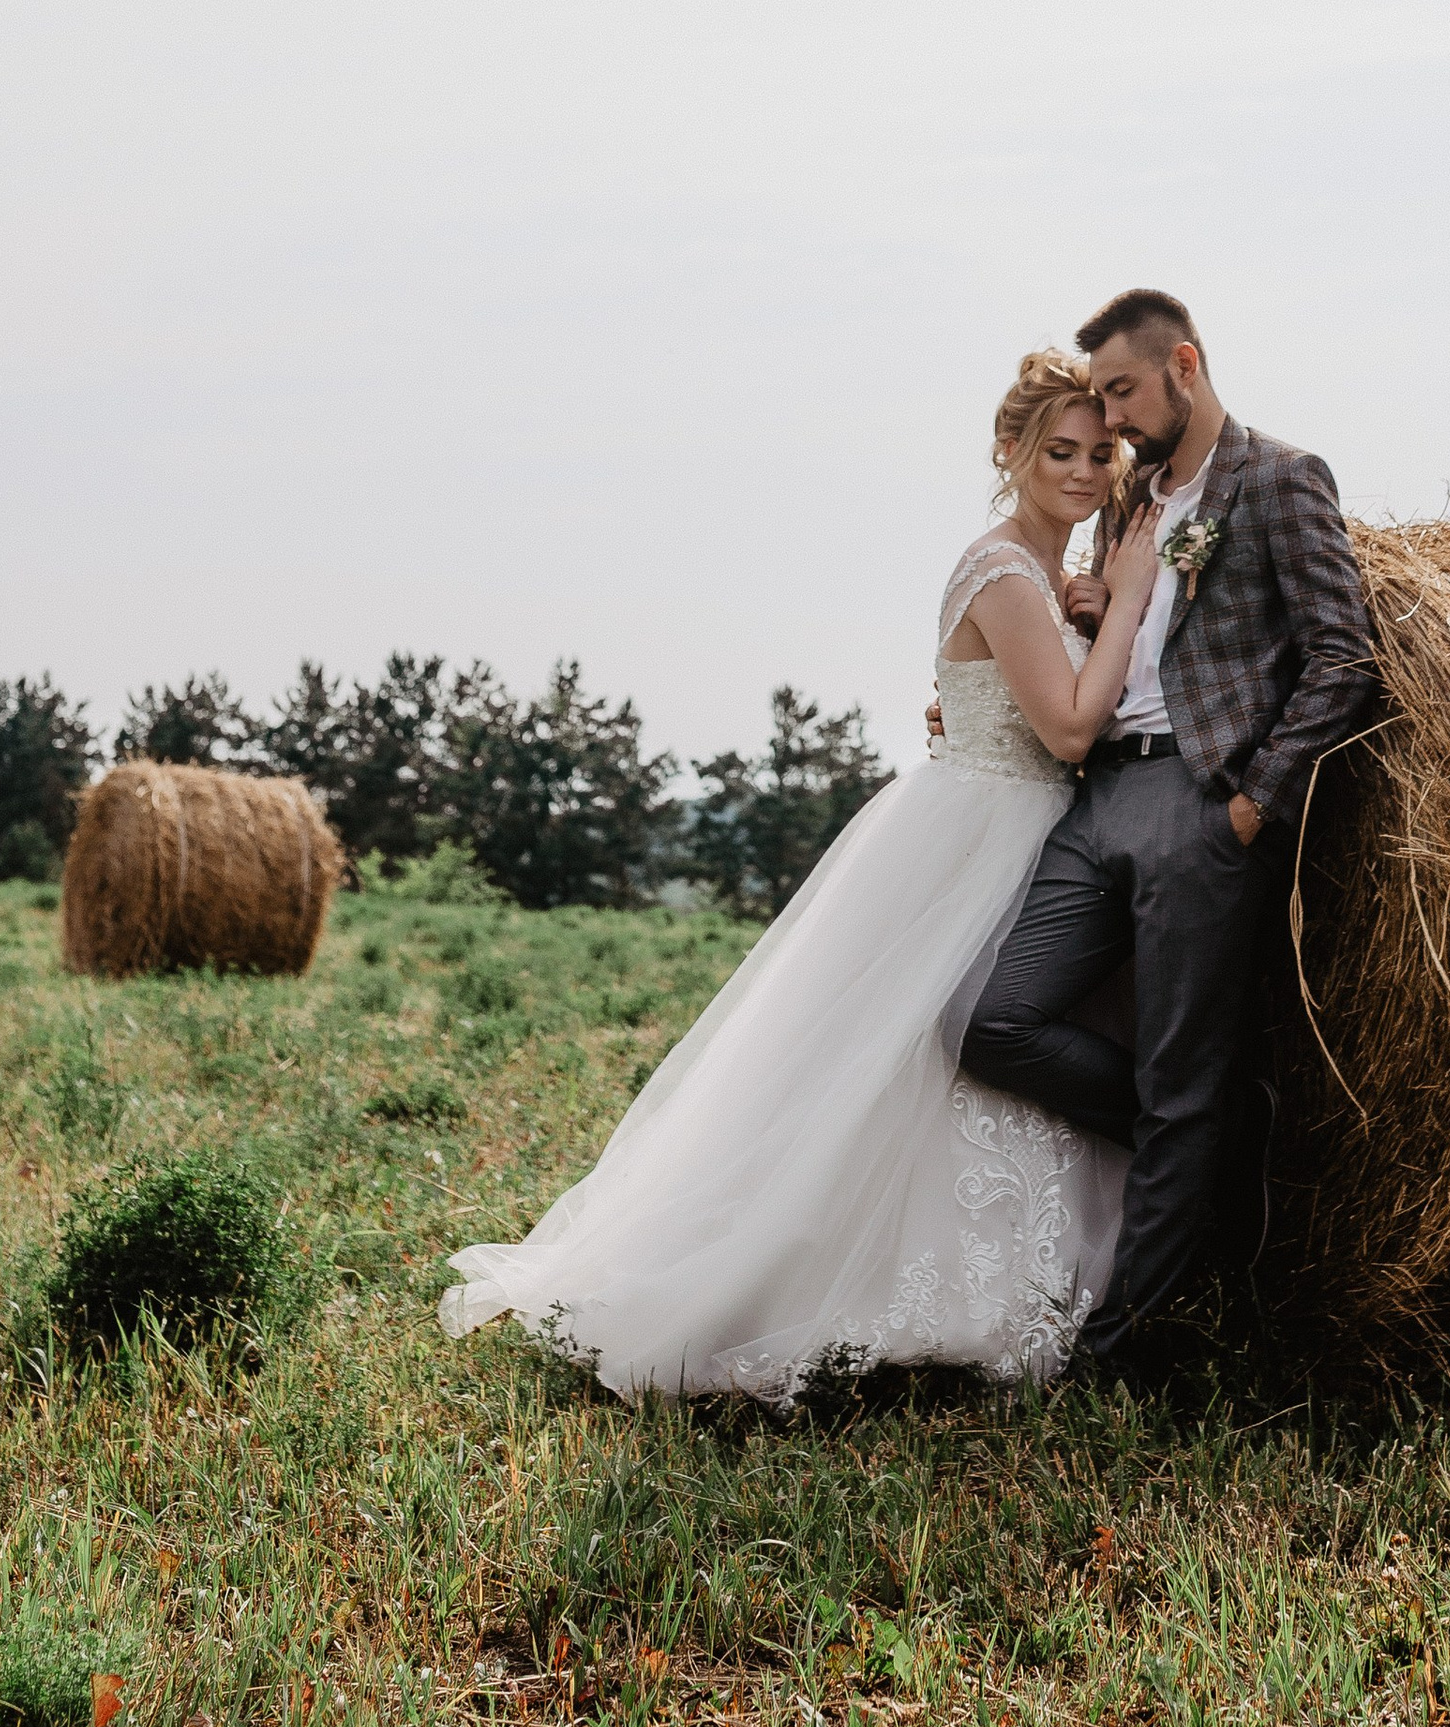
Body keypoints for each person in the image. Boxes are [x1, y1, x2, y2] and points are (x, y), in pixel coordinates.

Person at [439, 352, 1163, 1398]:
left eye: (1103, 453)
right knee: (923, 1053)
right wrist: (1131, 601)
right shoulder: (1004, 570)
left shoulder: (1050, 578)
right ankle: (869, 1290)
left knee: (973, 1059)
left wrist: (1094, 609)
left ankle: (1028, 1282)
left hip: (1030, 828)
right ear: (1009, 453)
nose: (1084, 471)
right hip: (980, 832)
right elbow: (1064, 723)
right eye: (1059, 451)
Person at [956, 290, 1378, 1380]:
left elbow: (1342, 656)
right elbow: (1128, 640)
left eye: (1123, 390)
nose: (1112, 417)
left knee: (1182, 1076)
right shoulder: (1132, 497)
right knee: (999, 1025)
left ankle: (1118, 1357)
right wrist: (1089, 618)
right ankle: (1213, 1147)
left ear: (1182, 366)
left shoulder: (1281, 480)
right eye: (1099, 397)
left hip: (1201, 805)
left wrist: (1250, 805)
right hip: (1098, 797)